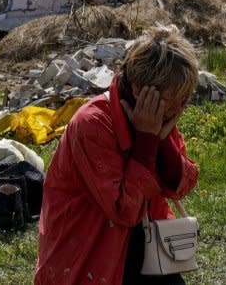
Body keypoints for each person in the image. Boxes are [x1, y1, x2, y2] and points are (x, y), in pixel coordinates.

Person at [35, 25, 200, 285]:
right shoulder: (92, 124)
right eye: (175, 99)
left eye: (186, 99)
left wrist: (161, 139)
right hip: (91, 251)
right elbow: (124, 211)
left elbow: (182, 185)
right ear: (138, 89)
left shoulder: (155, 113)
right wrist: (147, 140)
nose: (182, 108)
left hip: (146, 243)